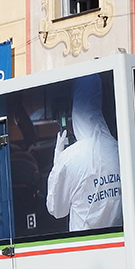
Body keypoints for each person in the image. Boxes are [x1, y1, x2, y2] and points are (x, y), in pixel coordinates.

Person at [46, 74, 122, 231]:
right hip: (119, 239)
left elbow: (56, 209)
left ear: (75, 112)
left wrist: (58, 161)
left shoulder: (71, 158)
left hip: (85, 245)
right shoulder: (118, 149)